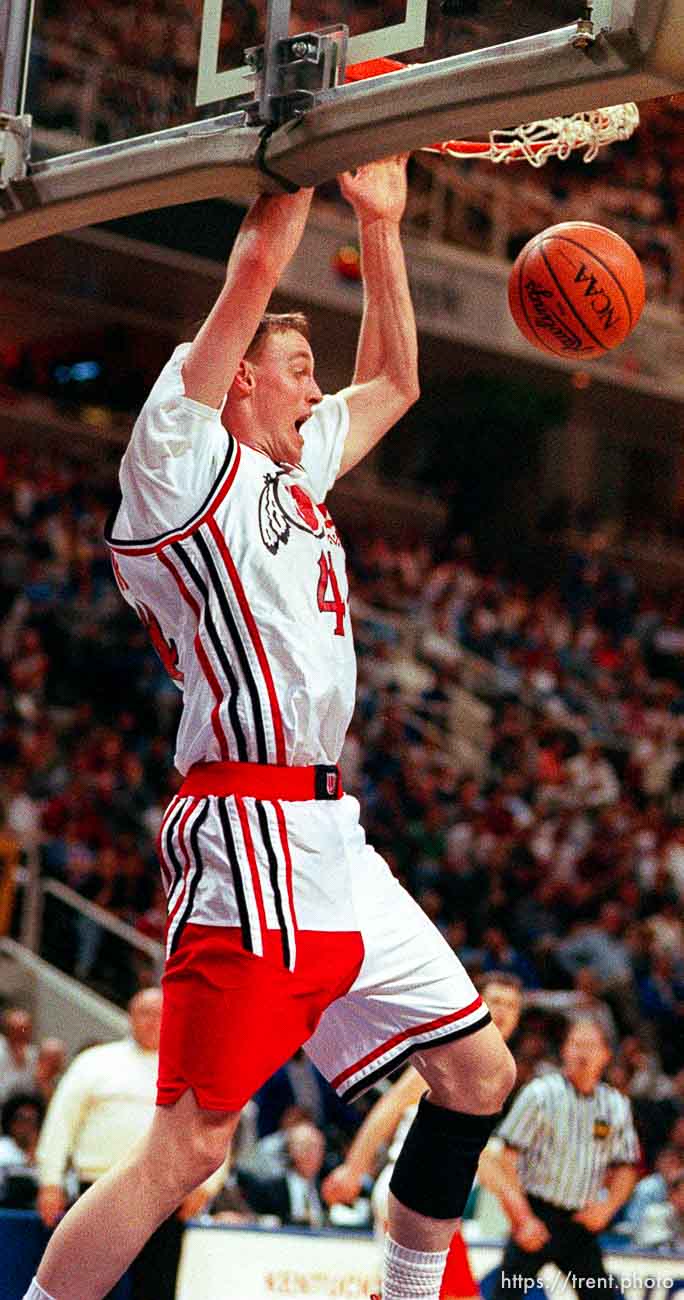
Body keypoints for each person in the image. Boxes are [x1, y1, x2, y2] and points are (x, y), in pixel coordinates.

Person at [25, 158, 515, 1300]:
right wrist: (304, 145)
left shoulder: (297, 475)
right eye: (296, 367)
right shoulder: (184, 460)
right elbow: (255, 261)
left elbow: (394, 376)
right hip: (244, 826)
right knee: (188, 1149)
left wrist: (383, 221)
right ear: (238, 382)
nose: (315, 385)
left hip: (328, 834)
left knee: (477, 1070)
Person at [322, 973, 524, 1300]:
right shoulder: (453, 1052)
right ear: (478, 1006)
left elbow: (482, 1155)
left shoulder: (496, 1067)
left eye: (511, 1005)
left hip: (434, 1191)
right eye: (496, 1002)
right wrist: (354, 1168)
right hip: (417, 1184)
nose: (502, 1011)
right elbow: (391, 1105)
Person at [35, 989, 223, 1300]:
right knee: (85, 1288)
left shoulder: (195, 1066)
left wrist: (206, 1186)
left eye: (161, 1013)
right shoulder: (94, 1061)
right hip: (99, 1189)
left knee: (157, 1288)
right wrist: (50, 1182)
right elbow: (60, 1123)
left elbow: (215, 1126)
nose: (153, 1021)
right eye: (145, 1013)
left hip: (166, 1195)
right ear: (130, 1017)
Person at [482, 1017, 639, 1300]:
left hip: (580, 1222)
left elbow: (627, 1167)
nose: (582, 1052)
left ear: (606, 1055)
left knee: (602, 1296)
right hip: (536, 1214)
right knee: (505, 1296)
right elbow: (505, 1161)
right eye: (576, 1044)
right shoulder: (540, 1094)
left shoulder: (616, 1105)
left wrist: (608, 1208)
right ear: (564, 1050)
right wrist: (522, 1218)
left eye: (591, 1045)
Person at [0, 1090, 44, 1208]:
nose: (27, 1126)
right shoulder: (3, 1149)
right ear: (10, 1123)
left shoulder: (45, 1151)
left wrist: (33, 1154)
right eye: (22, 1119)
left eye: (33, 1120)